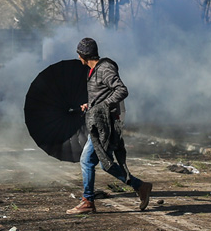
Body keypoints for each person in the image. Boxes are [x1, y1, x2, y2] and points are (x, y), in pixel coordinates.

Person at [66, 38, 153, 214]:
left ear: (83, 55)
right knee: (102, 164)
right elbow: (102, 95)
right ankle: (139, 186)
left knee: (88, 161)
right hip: (99, 124)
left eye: (78, 53)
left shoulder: (104, 68)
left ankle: (88, 200)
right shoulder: (94, 70)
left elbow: (121, 90)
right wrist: (90, 106)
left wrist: (102, 106)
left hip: (106, 125)